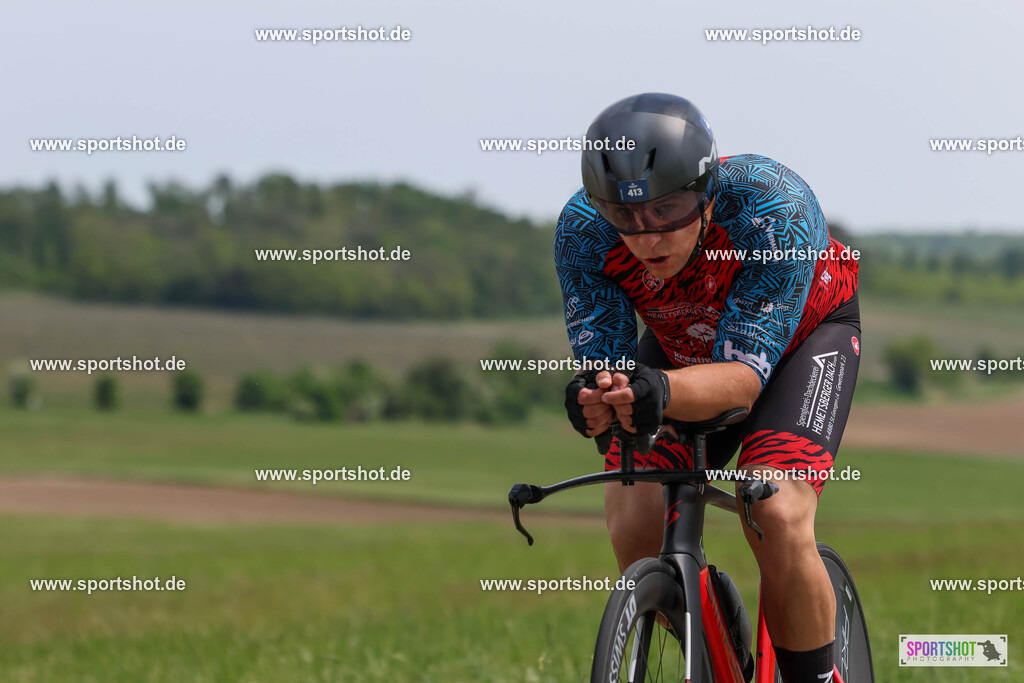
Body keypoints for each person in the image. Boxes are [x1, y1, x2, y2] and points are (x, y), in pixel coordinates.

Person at [557, 93, 860, 683]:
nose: (648, 237)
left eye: (668, 210)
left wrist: (654, 393)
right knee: (632, 513)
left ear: (706, 188)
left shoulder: (772, 205)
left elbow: (743, 380)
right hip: (681, 351)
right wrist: (598, 399)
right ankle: (722, 656)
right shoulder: (583, 233)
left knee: (775, 508)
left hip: (800, 341)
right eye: (626, 217)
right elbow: (610, 366)